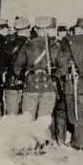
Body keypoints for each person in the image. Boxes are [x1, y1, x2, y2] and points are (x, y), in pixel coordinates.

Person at [56, 18, 83, 151]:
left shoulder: (68, 41)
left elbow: (62, 62)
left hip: (73, 82)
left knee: (74, 111)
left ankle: (78, 142)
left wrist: (59, 74)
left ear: (77, 28)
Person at [14, 16, 59, 146]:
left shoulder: (28, 44)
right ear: (48, 29)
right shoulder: (54, 45)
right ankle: (42, 144)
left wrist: (25, 77)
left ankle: (29, 144)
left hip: (31, 85)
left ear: (37, 29)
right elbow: (61, 65)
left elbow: (17, 67)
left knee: (28, 117)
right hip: (48, 85)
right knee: (44, 118)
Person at [2, 17, 30, 115]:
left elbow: (2, 64)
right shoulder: (32, 44)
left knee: (12, 116)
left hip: (11, 83)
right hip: (28, 84)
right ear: (27, 29)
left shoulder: (8, 45)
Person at [52, 25, 70, 146]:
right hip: (61, 81)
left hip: (55, 80)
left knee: (56, 110)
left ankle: (57, 138)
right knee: (61, 110)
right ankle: (61, 138)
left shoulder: (53, 45)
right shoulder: (68, 46)